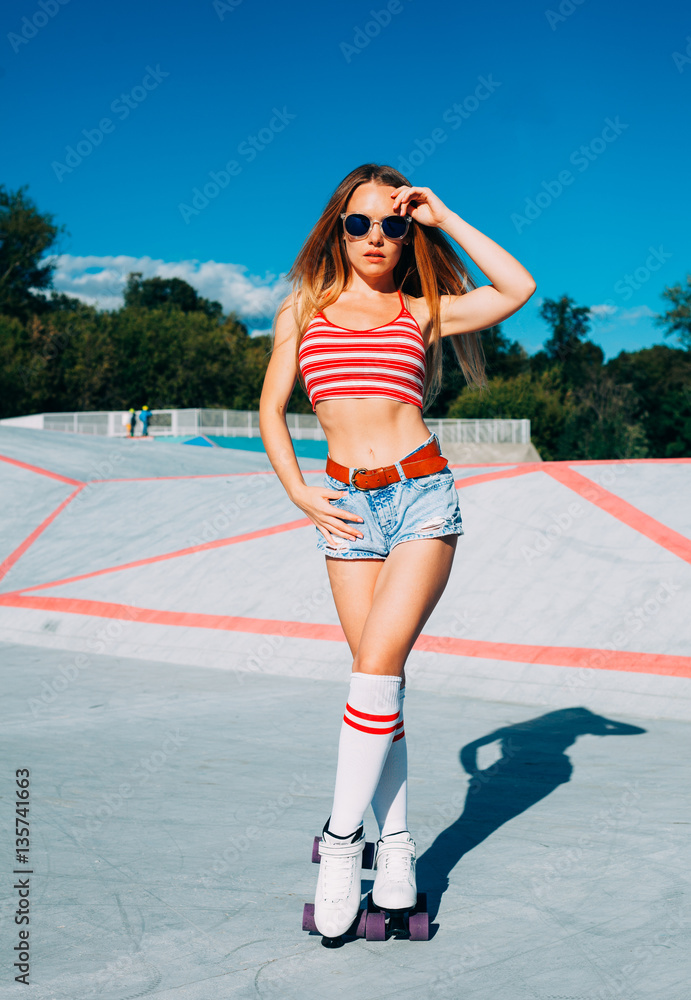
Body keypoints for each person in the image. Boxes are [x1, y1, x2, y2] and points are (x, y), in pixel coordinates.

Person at [259, 163, 536, 942]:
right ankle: (402, 846)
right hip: (344, 509)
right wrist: (296, 489)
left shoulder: (421, 312)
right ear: (335, 231)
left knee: (374, 673)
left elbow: (516, 288)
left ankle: (343, 845)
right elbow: (270, 411)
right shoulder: (302, 311)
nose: (375, 236)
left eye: (391, 223)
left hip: (421, 499)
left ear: (405, 232)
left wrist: (443, 215)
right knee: (379, 690)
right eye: (359, 223)